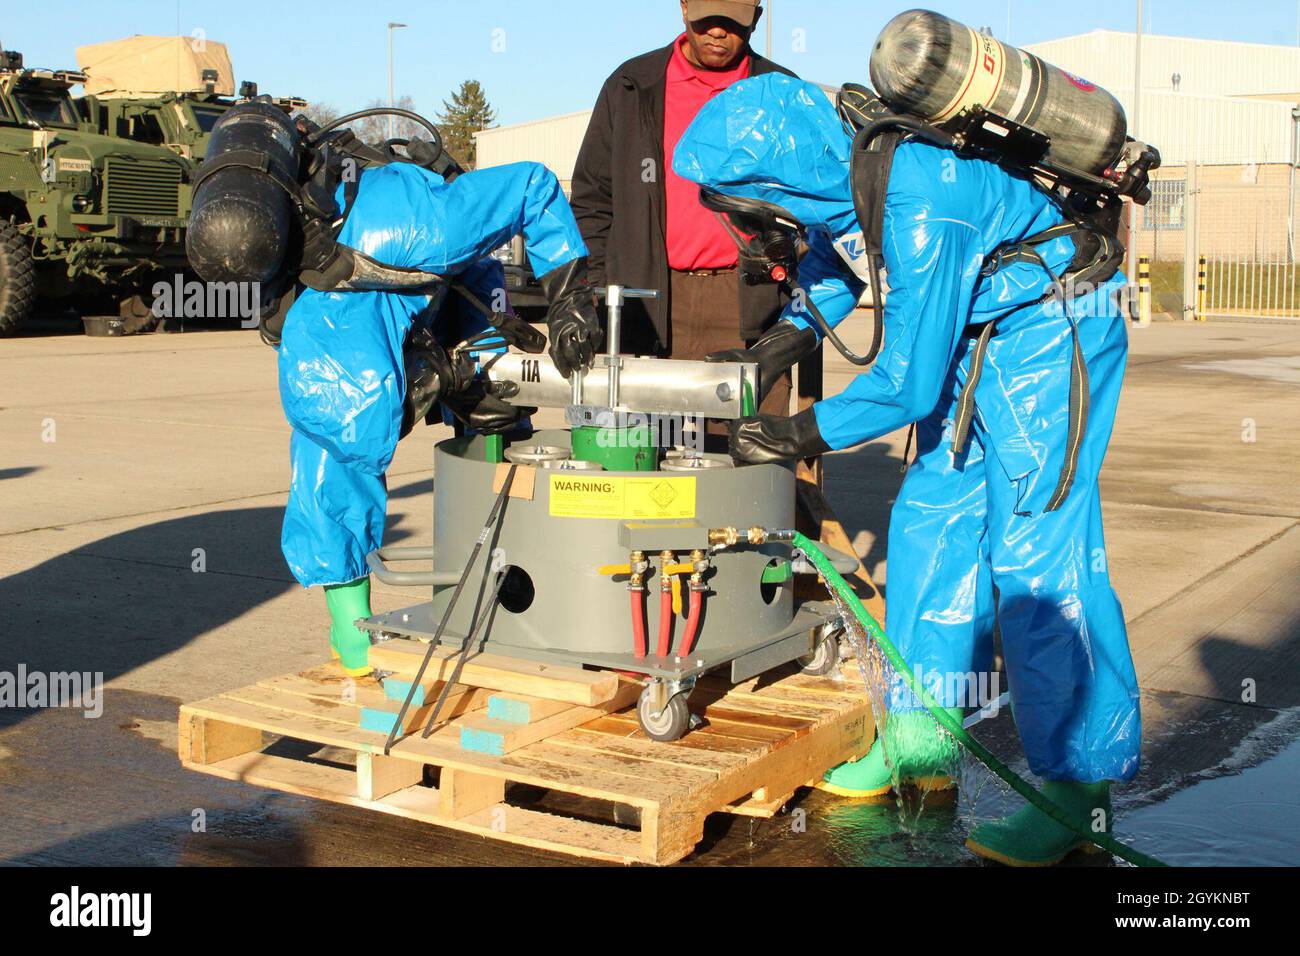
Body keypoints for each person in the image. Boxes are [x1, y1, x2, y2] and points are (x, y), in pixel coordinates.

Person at [674, 74, 1142, 866]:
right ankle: (921, 748)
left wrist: (800, 433)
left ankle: (1076, 790)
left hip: (1049, 337)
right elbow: (837, 247)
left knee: (1037, 556)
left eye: (746, 215)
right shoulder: (851, 177)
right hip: (977, 336)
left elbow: (907, 382)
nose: (751, 235)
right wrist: (787, 337)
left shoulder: (922, 200)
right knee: (929, 533)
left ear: (773, 184)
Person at [276, 159, 602, 677]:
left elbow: (532, 184)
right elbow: (347, 455)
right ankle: (350, 622)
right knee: (333, 463)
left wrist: (570, 296)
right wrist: (435, 381)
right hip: (377, 300)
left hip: (445, 270)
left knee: (497, 406)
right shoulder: (322, 355)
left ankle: (513, 570)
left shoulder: (435, 226)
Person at [570, 0, 803, 417]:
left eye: (731, 23)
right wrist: (600, 284)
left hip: (748, 305)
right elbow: (592, 198)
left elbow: (814, 205)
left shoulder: (782, 92)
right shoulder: (630, 86)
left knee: (751, 463)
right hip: (648, 304)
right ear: (683, 8)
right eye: (707, 19)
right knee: (644, 459)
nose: (718, 32)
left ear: (756, 20)